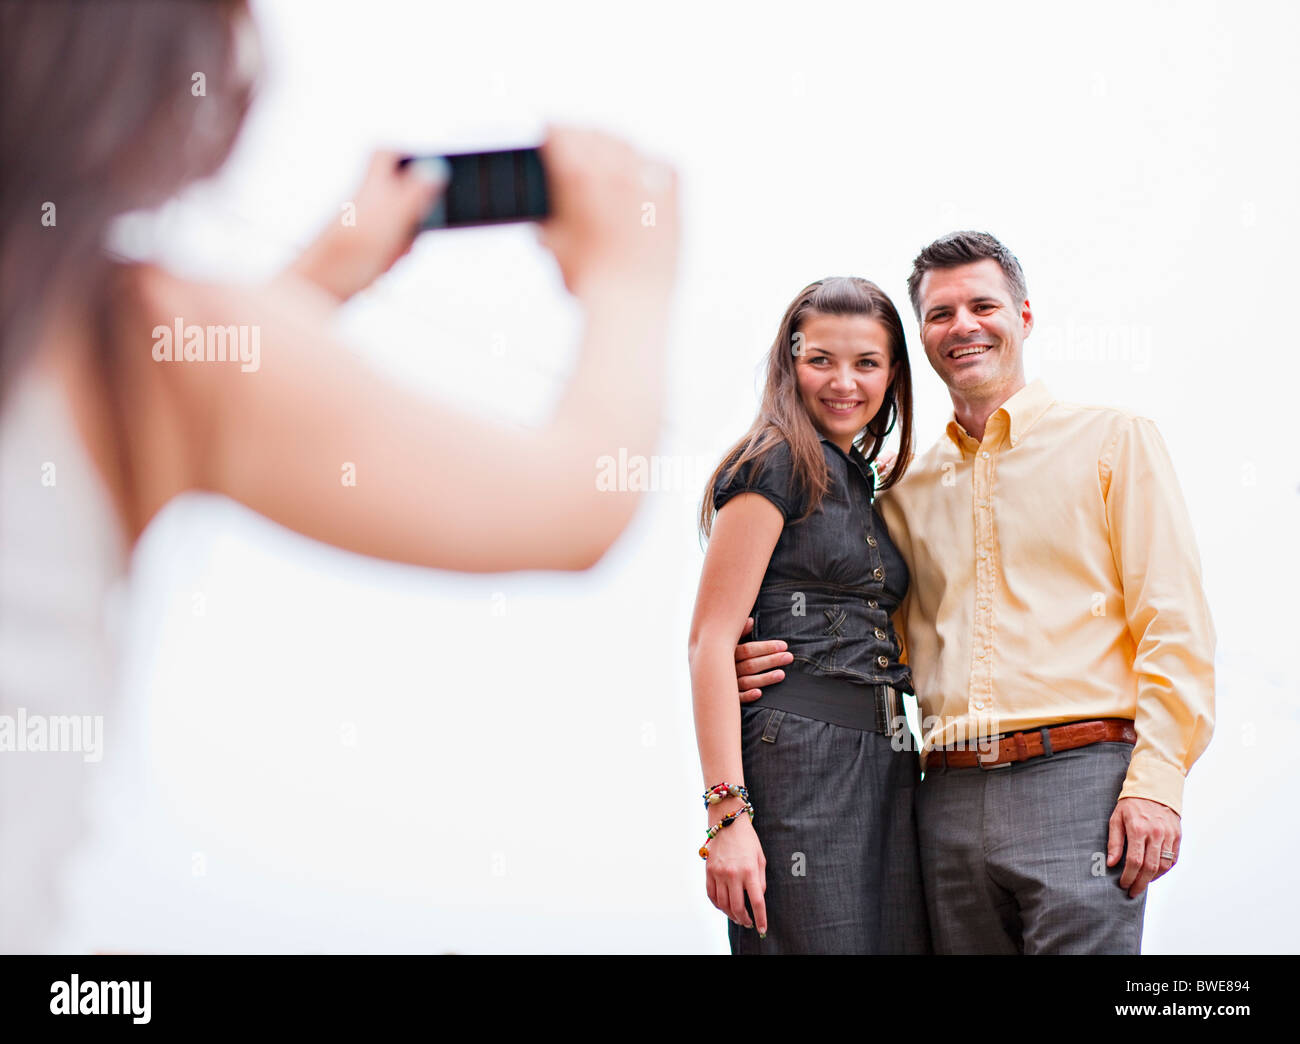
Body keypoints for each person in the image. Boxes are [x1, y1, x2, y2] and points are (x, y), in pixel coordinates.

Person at [0, 0, 678, 953]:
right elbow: (575, 501)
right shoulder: (129, 341)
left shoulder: (132, 354)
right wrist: (630, 277)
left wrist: (318, 279)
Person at [732, 232, 1215, 954]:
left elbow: (1173, 626)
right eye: (940, 313)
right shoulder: (899, 491)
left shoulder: (1115, 443)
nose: (963, 325)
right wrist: (770, 661)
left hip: (1080, 782)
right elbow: (866, 629)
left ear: (1023, 316)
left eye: (982, 305)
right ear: (921, 340)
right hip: (941, 800)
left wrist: (1156, 783)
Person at [688, 276, 930, 954]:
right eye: (819, 358)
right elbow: (709, 641)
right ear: (788, 364)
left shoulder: (865, 482)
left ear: (893, 375)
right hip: (803, 758)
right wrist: (727, 817)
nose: (842, 381)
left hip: (887, 761)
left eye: (866, 362)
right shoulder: (774, 462)